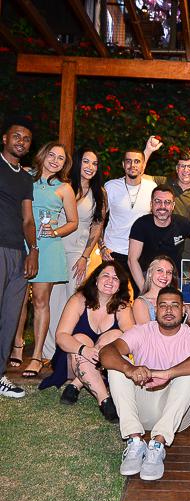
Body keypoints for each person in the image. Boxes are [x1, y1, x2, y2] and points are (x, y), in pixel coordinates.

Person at [100, 285, 190, 481]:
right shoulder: (142, 331)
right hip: (143, 407)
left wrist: (168, 373)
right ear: (156, 309)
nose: (168, 310)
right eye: (163, 305)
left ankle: (158, 444)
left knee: (189, 373)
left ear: (183, 310)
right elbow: (107, 352)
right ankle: (135, 441)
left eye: (174, 305)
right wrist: (130, 369)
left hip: (178, 415)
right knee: (117, 367)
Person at [16, 141, 78, 378]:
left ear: (65, 164)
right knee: (18, 300)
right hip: (20, 243)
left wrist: (55, 231)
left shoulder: (65, 188)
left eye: (61, 158)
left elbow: (73, 222)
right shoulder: (24, 176)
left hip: (48, 248)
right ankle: (17, 346)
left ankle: (37, 356)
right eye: (51, 155)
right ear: (43, 155)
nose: (55, 161)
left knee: (40, 302)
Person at [42, 147, 107, 361]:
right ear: (78, 163)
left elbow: (97, 226)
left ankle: (71, 353)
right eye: (86, 161)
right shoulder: (62, 186)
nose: (90, 167)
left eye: (94, 164)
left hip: (78, 253)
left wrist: (85, 257)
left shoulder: (100, 193)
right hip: (54, 248)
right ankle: (49, 353)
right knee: (53, 301)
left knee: (75, 301)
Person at [50, 261, 135, 421]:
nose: (110, 281)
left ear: (120, 285)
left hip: (103, 364)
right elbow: (61, 336)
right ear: (96, 279)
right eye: (106, 276)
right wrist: (84, 350)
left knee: (117, 335)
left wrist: (101, 351)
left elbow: (131, 337)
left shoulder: (122, 307)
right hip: (71, 359)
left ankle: (76, 384)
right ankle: (105, 400)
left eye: (115, 278)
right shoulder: (78, 300)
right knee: (80, 338)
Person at [0, 116, 38, 399]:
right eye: (16, 136)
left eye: (26, 139)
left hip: (18, 252)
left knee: (11, 316)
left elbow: (28, 219)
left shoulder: (25, 177)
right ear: (5, 138)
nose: (21, 141)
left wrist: (33, 250)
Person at [128, 185, 190, 292]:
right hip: (148, 276)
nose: (162, 206)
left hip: (174, 278)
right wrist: (145, 290)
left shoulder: (181, 223)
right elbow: (132, 260)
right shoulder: (141, 224)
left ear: (173, 206)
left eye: (167, 202)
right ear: (151, 204)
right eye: (158, 201)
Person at [100, 148, 157, 294]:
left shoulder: (152, 188)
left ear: (143, 165)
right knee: (112, 296)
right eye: (129, 161)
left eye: (137, 161)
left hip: (141, 253)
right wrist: (102, 247)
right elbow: (99, 220)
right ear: (123, 164)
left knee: (142, 295)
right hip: (114, 252)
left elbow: (157, 220)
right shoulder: (111, 187)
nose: (133, 165)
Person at [133, 255, 190, 329]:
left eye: (169, 272)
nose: (165, 275)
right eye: (160, 270)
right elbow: (147, 333)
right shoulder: (141, 302)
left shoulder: (178, 296)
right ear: (150, 273)